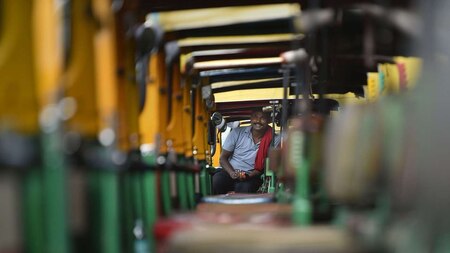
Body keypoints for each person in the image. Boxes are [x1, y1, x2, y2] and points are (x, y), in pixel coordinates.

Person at [212, 108, 281, 194]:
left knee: (245, 188)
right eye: (256, 116)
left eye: (263, 118)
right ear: (251, 118)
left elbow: (268, 165)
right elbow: (222, 158)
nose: (258, 121)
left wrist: (248, 176)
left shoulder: (274, 139)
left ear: (268, 120)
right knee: (217, 181)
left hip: (252, 176)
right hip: (229, 171)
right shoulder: (237, 132)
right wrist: (232, 173)